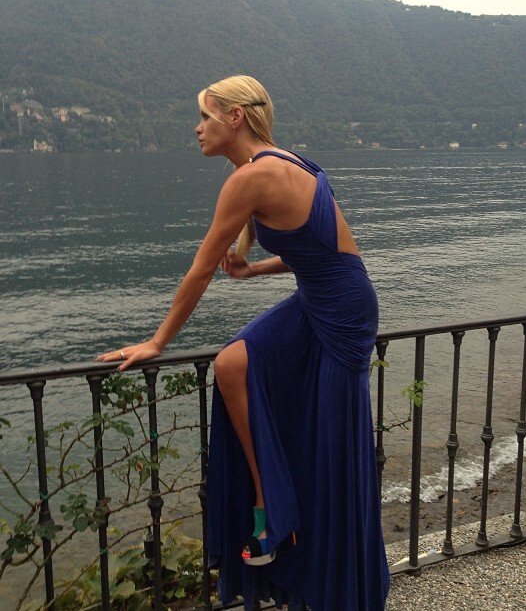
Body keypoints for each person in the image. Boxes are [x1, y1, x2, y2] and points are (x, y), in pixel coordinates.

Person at [97, 75, 389, 610]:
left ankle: (343, 588)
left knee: (332, 446)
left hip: (343, 311)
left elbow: (201, 268)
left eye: (204, 116)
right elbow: (313, 249)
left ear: (235, 118)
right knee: (231, 364)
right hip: (319, 296)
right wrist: (253, 271)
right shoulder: (273, 166)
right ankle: (269, 498)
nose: (196, 128)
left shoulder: (257, 176)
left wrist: (157, 341)